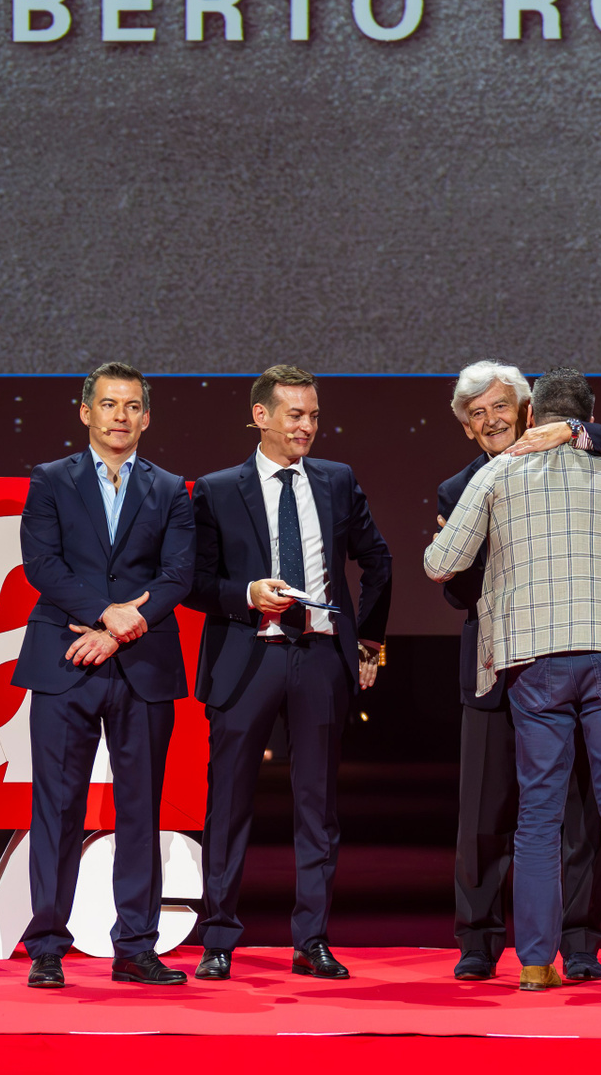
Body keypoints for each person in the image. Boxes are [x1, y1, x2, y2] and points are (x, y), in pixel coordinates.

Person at [424, 367, 601, 995]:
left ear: (530, 413)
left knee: (538, 813)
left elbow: (439, 564)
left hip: (535, 659)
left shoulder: (496, 474)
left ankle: (536, 963)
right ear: (588, 417)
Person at [187, 365, 393, 980]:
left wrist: (368, 642)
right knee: (228, 802)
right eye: (295, 415)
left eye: (314, 416)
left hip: (320, 658)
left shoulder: (337, 480)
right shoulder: (218, 490)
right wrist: (246, 594)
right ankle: (218, 939)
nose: (307, 427)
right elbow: (194, 582)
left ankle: (312, 940)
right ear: (261, 416)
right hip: (247, 656)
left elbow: (378, 560)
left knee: (317, 805)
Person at [11, 363, 197, 988]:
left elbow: (178, 575)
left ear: (147, 417)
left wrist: (116, 629)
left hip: (141, 664)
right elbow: (41, 563)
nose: (121, 416)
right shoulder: (51, 479)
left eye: (133, 405)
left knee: (140, 809)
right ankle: (46, 947)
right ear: (86, 412)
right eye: (110, 404)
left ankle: (136, 947)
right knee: (57, 808)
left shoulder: (170, 489)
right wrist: (102, 613)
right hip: (65, 661)